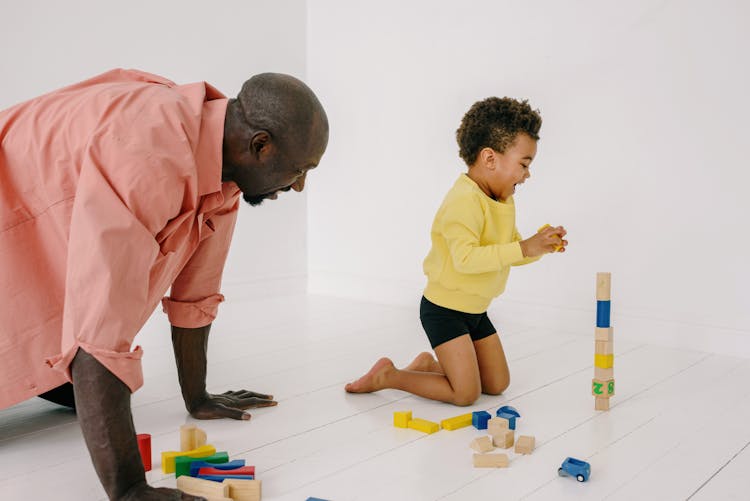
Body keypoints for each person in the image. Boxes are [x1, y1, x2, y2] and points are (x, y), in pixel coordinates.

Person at [0, 68, 328, 500]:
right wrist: (133, 490)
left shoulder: (225, 169)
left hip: (34, 216)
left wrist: (198, 396)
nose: (300, 185)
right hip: (13, 204)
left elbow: (196, 292)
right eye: (300, 169)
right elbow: (96, 333)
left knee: (71, 372)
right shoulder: (149, 155)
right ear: (261, 145)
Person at [345, 97, 566, 406]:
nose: (527, 175)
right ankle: (390, 376)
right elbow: (466, 259)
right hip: (444, 310)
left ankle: (428, 366)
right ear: (490, 159)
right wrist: (523, 247)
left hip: (476, 310)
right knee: (465, 394)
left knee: (498, 384)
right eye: (524, 164)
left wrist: (539, 246)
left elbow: (509, 250)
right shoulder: (463, 201)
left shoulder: (502, 201)